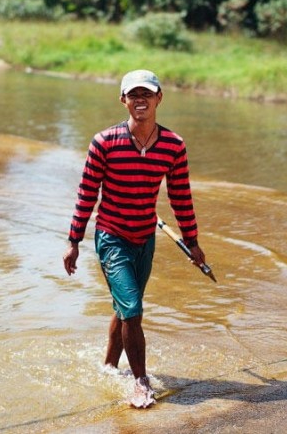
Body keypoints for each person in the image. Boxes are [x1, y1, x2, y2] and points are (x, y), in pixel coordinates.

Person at [62, 69, 207, 408]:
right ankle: (140, 382)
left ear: (159, 98)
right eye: (133, 94)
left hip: (145, 237)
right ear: (123, 100)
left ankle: (109, 365)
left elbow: (181, 196)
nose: (140, 99)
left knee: (126, 309)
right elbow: (86, 194)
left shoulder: (173, 145)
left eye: (147, 93)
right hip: (112, 235)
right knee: (132, 308)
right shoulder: (104, 142)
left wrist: (193, 242)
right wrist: (73, 241)